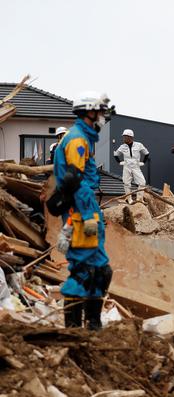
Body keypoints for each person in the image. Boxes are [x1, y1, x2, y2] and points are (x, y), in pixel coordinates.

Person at [52, 91, 113, 330]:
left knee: (99, 270)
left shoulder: (82, 138)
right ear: (88, 112)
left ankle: (91, 325)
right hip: (81, 216)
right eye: (99, 113)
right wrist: (87, 216)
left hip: (85, 213)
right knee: (85, 271)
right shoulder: (77, 140)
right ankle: (76, 328)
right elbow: (74, 182)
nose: (101, 118)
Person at [113, 129, 149, 204]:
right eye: (124, 137)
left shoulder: (139, 145)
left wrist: (143, 162)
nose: (124, 138)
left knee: (142, 182)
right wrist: (119, 162)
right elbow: (116, 154)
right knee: (126, 183)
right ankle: (129, 199)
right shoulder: (122, 147)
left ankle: (139, 199)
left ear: (130, 137)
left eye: (125, 137)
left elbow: (146, 153)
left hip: (136, 166)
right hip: (127, 167)